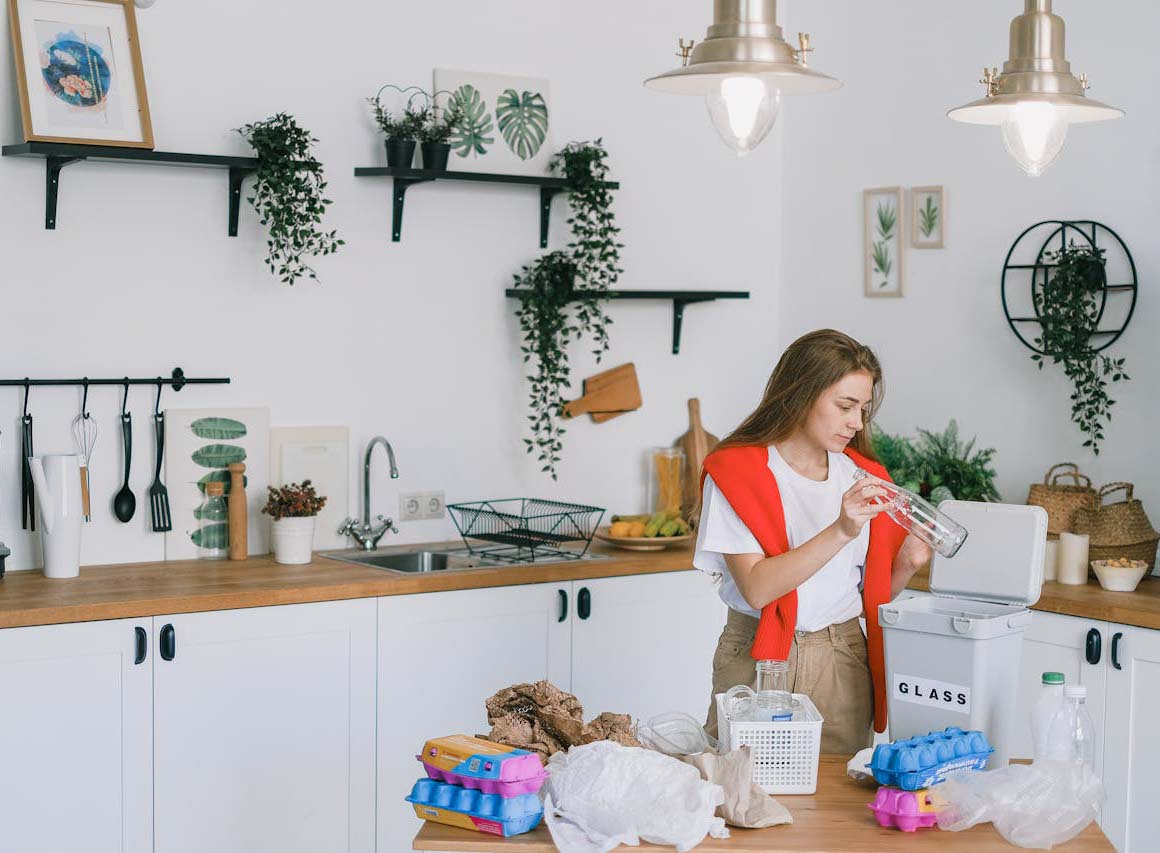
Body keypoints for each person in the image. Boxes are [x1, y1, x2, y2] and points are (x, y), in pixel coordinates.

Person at [696, 329, 931, 754]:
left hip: (842, 656)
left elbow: (864, 595)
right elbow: (758, 586)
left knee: (838, 807)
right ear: (800, 394)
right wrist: (841, 530)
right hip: (758, 655)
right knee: (741, 792)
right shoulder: (736, 473)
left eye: (862, 408)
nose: (857, 423)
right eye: (845, 406)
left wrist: (907, 564)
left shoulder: (865, 476)